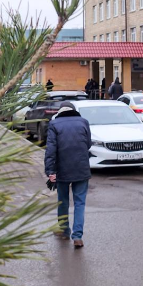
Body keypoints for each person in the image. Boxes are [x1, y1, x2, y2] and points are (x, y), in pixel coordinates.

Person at [44, 102, 92, 249]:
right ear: (74, 111)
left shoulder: (54, 124)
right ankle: (77, 237)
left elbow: (50, 150)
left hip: (62, 169)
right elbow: (88, 144)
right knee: (80, 203)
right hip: (81, 168)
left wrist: (50, 172)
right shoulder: (84, 122)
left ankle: (64, 230)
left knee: (63, 201)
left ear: (60, 112)